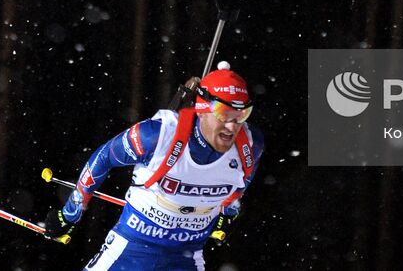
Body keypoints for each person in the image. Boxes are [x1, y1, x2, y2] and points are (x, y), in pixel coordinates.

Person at [46, 62, 265, 270]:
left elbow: (240, 183)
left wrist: (227, 215)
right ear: (201, 108)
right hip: (131, 248)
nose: (231, 126)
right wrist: (70, 214)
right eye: (224, 114)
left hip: (186, 256)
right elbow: (104, 157)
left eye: (241, 115)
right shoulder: (157, 135)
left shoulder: (250, 145)